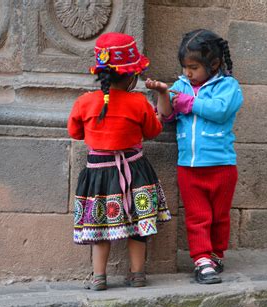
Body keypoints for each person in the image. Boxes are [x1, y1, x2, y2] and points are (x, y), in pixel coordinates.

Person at [68, 32, 171, 291]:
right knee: (139, 225)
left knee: (100, 226)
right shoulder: (138, 102)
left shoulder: (84, 102)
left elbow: (75, 133)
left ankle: (99, 277)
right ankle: (137, 275)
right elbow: (153, 131)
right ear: (131, 76)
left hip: (98, 174)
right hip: (135, 171)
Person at [146, 29, 243, 284]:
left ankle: (215, 253)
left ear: (214, 64)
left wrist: (189, 103)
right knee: (198, 216)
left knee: (219, 217)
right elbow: (166, 115)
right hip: (189, 167)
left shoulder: (228, 87)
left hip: (222, 165)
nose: (188, 72)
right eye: (185, 67)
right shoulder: (181, 86)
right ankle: (201, 259)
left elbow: (220, 111)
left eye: (194, 67)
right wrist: (164, 95)